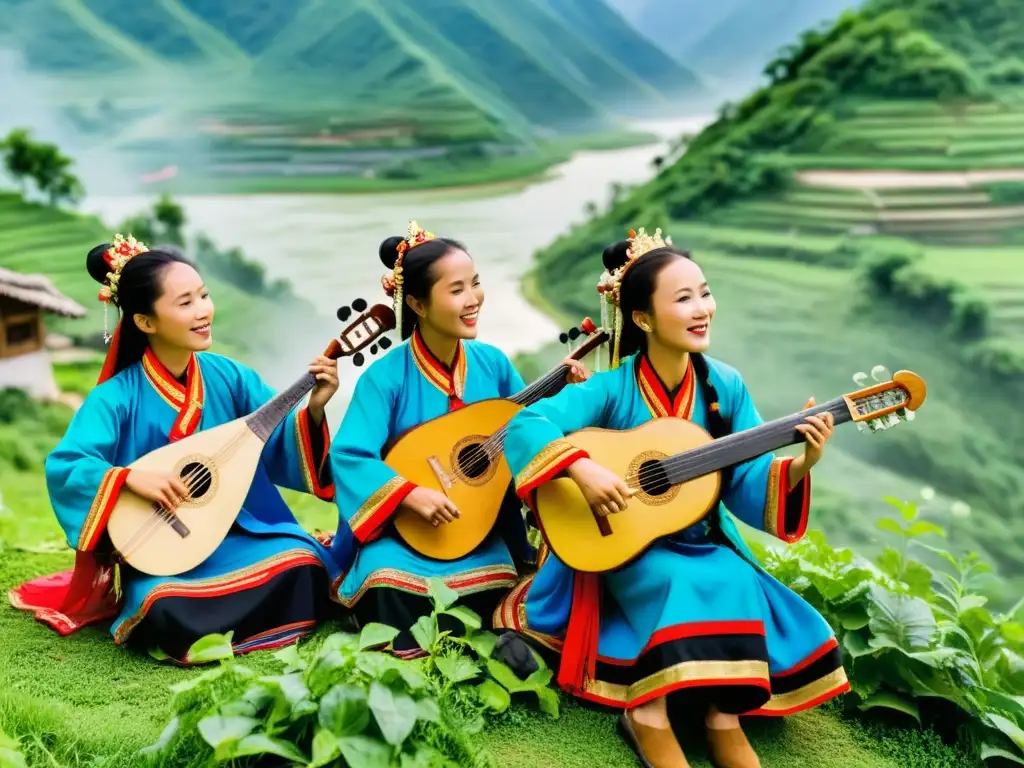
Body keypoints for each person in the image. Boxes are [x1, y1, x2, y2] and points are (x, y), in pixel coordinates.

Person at [491, 229, 849, 768]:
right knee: (682, 579)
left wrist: (800, 464)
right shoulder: (613, 388)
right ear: (641, 318)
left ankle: (722, 716)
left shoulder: (723, 386)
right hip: (626, 543)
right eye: (683, 299)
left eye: (704, 293)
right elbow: (527, 423)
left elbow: (746, 478)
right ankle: (648, 715)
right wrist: (581, 467)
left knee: (733, 576)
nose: (702, 309)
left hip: (700, 538)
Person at [9, 234, 342, 663]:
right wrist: (128, 479)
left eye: (203, 295)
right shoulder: (115, 397)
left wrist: (314, 408)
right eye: (185, 303)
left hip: (239, 528)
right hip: (165, 546)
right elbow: (68, 466)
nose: (203, 311)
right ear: (146, 322)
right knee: (163, 603)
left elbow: (276, 439)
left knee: (304, 564)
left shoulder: (229, 376)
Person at [327, 222, 588, 655]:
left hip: (475, 527)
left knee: (506, 584)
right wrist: (410, 494)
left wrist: (564, 399)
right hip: (402, 530)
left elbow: (524, 432)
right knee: (389, 584)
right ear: (417, 303)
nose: (473, 300)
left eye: (477, 284)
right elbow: (351, 454)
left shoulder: (492, 363)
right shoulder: (386, 377)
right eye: (456, 290)